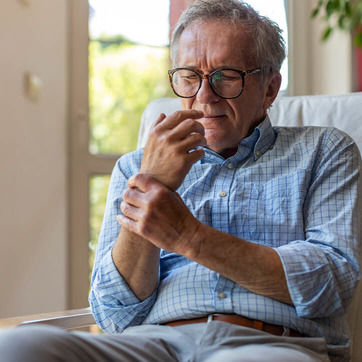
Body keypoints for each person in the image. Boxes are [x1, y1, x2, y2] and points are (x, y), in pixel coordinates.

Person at [0, 0, 360, 361]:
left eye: (226, 75)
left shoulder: (324, 150)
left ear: (269, 88)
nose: (204, 96)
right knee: (16, 346)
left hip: (271, 344)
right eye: (189, 76)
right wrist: (150, 183)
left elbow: (331, 282)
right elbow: (113, 314)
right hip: (155, 345)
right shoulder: (135, 168)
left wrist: (189, 237)